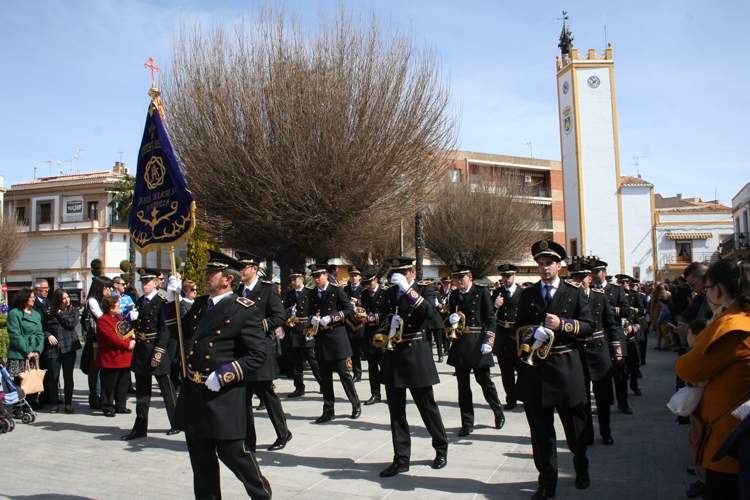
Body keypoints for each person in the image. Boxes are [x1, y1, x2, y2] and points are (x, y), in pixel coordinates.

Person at [163, 249, 272, 500]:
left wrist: (224, 374)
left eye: (212, 273)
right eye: (207, 272)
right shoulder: (201, 304)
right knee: (201, 464)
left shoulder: (245, 309)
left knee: (235, 455)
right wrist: (170, 301)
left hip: (223, 397)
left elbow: (258, 355)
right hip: (195, 393)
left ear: (228, 279)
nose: (206, 277)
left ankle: (262, 495)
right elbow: (180, 333)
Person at [514, 240, 594, 500]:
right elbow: (518, 330)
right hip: (537, 372)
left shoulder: (575, 291)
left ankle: (581, 469)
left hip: (566, 368)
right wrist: (529, 334)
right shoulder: (528, 294)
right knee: (541, 434)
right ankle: (547, 483)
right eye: (541, 263)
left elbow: (589, 326)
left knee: (575, 430)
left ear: (560, 265)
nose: (545, 268)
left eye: (550, 263)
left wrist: (563, 324)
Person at [676, 258, 750, 500]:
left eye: (705, 288)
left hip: (729, 441)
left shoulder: (731, 325)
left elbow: (687, 368)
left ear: (717, 290)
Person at [372, 256, 448, 477]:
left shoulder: (425, 289)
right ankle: (401, 458)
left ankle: (441, 449)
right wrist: (387, 327)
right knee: (396, 413)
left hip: (416, 353)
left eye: (403, 273)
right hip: (394, 355)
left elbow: (432, 315)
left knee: (427, 407)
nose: (398, 277)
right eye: (396, 273)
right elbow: (385, 318)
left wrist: (408, 291)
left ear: (412, 272)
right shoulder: (388, 293)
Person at [234, 251, 291, 453]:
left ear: (254, 269)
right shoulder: (237, 290)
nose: (241, 271)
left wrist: (256, 326)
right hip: (241, 351)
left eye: (244, 267)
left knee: (267, 395)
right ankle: (249, 440)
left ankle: (283, 433)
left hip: (260, 349)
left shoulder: (267, 289)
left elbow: (278, 317)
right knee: (244, 398)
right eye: (239, 267)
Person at [445, 264, 504, 436]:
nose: (458, 281)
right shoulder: (454, 295)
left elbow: (490, 319)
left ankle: (498, 411)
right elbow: (449, 321)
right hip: (461, 342)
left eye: (461, 277)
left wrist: (489, 340)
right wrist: (450, 320)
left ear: (469, 276)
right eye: (456, 278)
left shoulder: (482, 291)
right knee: (463, 387)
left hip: (478, 342)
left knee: (485, 382)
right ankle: (467, 422)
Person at [568, 260, 622, 446]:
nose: (579, 281)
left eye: (582, 277)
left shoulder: (600, 296)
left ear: (590, 279)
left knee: (603, 397)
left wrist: (617, 349)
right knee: (581, 398)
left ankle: (605, 431)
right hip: (578, 353)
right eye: (575, 277)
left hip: (599, 351)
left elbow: (610, 325)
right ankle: (587, 433)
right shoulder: (569, 298)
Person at [122, 268, 179, 440]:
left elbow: (165, 330)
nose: (144, 285)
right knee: (142, 393)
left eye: (147, 282)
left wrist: (158, 353)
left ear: (156, 283)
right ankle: (140, 427)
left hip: (155, 350)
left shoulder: (162, 301)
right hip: (141, 351)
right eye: (142, 282)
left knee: (167, 391)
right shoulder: (140, 301)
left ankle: (176, 423)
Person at [306, 262, 360, 423]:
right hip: (322, 339)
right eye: (314, 277)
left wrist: (332, 317)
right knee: (326, 376)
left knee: (343, 374)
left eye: (318, 276)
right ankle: (328, 410)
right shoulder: (312, 294)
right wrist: (313, 319)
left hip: (337, 338)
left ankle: (355, 404)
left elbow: (349, 311)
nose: (316, 279)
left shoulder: (337, 291)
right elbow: (309, 313)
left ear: (325, 276)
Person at [95, 295, 136, 417]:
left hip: (124, 357)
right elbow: (111, 338)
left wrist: (132, 338)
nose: (120, 307)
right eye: (118, 305)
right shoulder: (103, 320)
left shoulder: (120, 318)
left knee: (123, 384)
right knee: (109, 384)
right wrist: (127, 344)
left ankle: (121, 405)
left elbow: (128, 331)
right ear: (111, 308)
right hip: (111, 358)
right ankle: (107, 406)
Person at [284, 268, 321, 398]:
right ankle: (299, 387)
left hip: (306, 328)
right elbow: (285, 310)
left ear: (302, 279)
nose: (293, 282)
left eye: (295, 279)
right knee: (296, 360)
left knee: (311, 358)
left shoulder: (309, 292)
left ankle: (322, 383)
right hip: (294, 329)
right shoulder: (289, 294)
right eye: (292, 279)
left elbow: (315, 309)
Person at [491, 264, 523, 410]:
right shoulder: (497, 292)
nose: (506, 279)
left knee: (523, 370)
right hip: (503, 335)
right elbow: (488, 313)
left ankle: (523, 395)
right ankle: (510, 398)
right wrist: (496, 306)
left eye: (508, 276)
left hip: (518, 337)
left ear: (514, 275)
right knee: (506, 371)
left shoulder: (523, 292)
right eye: (503, 276)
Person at [46, 288, 82, 414]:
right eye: (64, 298)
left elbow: (72, 323)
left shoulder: (73, 310)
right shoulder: (49, 313)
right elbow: (43, 328)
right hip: (53, 349)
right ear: (58, 300)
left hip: (68, 347)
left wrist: (60, 313)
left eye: (68, 297)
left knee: (68, 376)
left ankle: (68, 403)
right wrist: (48, 335)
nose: (67, 300)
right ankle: (55, 403)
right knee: (53, 377)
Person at [83, 276, 114, 410]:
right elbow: (101, 317)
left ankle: (104, 396)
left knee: (104, 368)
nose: (109, 290)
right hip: (95, 339)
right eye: (107, 287)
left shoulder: (104, 300)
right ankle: (94, 395)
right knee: (94, 369)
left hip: (104, 338)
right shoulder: (92, 301)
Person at [6, 290, 44, 392]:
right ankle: (20, 403)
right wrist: (27, 351)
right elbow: (15, 335)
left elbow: (40, 333)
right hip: (19, 353)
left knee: (33, 378)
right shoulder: (14, 313)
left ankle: (33, 401)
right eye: (31, 297)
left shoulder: (36, 314)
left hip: (34, 352)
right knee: (20, 381)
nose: (33, 299)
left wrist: (37, 351)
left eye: (34, 297)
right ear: (23, 298)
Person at [357, 270, 386, 405]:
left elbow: (387, 314)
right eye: (366, 283)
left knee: (386, 366)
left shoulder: (385, 292)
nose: (368, 286)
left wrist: (371, 318)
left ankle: (392, 392)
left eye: (370, 283)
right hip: (369, 334)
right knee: (372, 367)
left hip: (382, 332)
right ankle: (375, 393)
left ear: (376, 279)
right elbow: (364, 309)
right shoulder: (363, 293)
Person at [30, 279, 51, 409]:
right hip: (39, 340)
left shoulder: (47, 301)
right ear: (37, 289)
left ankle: (46, 396)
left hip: (48, 342)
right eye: (44, 288)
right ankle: (33, 399)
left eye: (47, 287)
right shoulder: (34, 304)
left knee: (46, 370)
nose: (46, 290)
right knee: (36, 371)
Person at [343, 266, 365, 382]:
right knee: (354, 351)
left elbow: (368, 303)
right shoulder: (345, 289)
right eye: (351, 275)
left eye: (355, 275)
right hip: (350, 323)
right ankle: (357, 373)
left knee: (365, 350)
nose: (353, 278)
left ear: (360, 277)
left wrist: (359, 302)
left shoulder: (364, 288)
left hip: (362, 323)